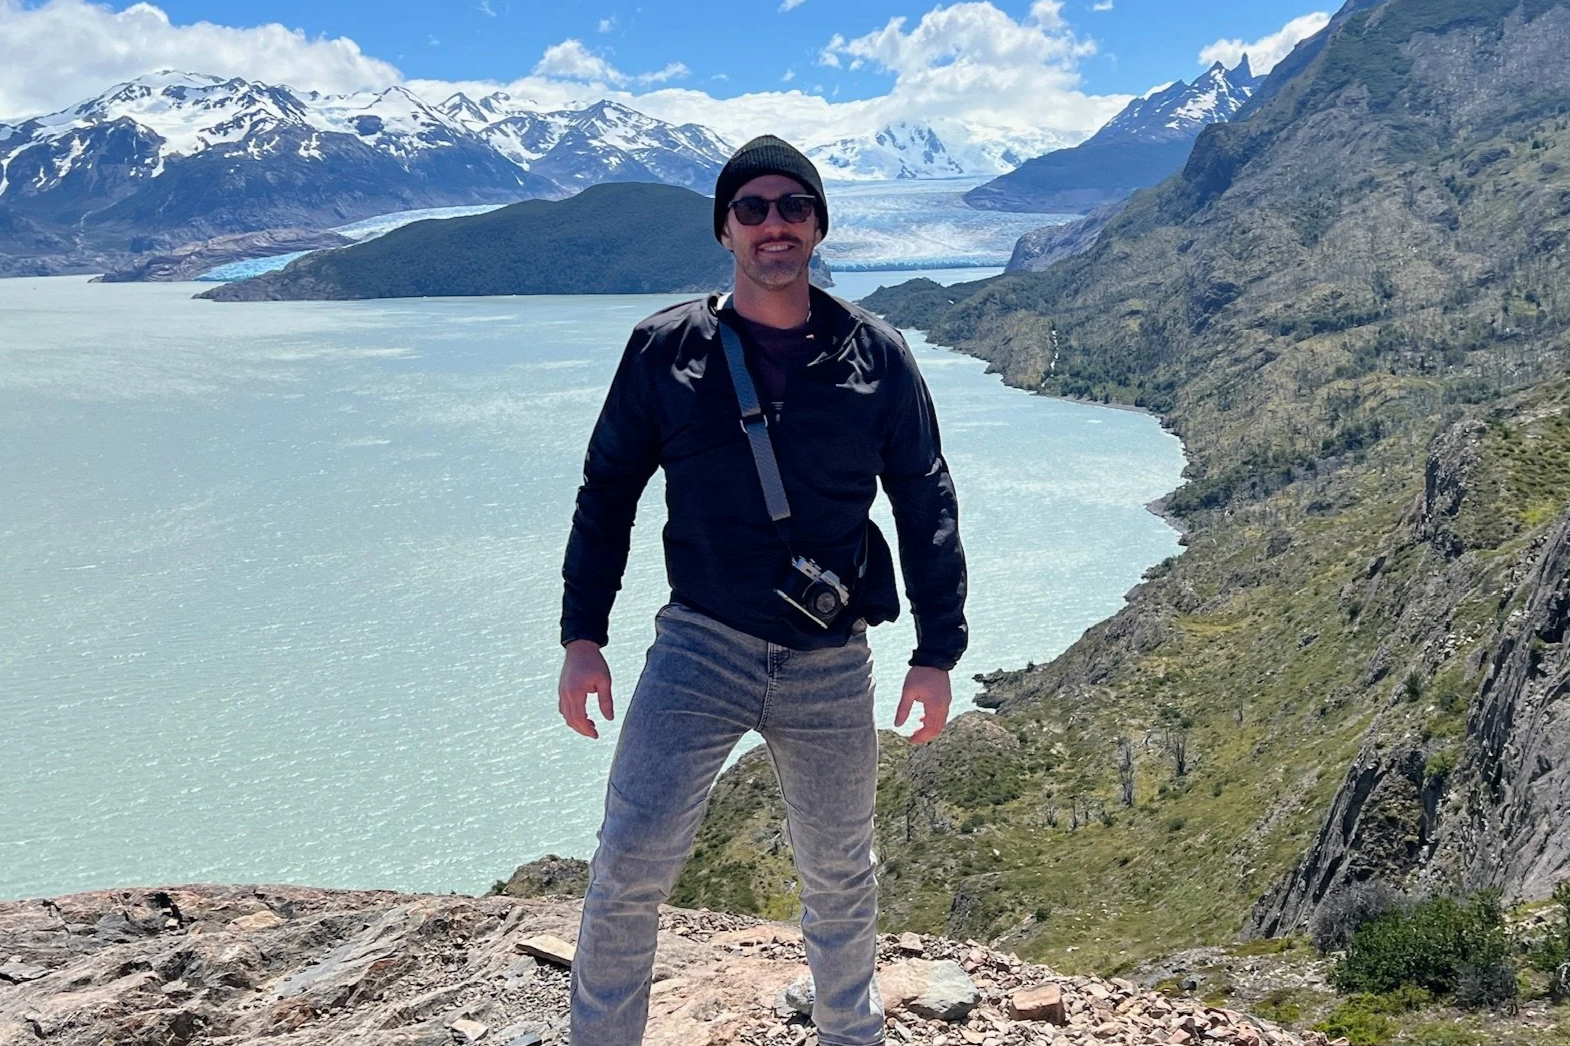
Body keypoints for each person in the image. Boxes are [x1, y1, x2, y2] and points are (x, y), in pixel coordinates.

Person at [556, 135, 968, 1046]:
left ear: (818, 226)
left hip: (831, 659)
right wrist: (583, 635)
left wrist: (937, 651)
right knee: (629, 865)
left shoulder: (878, 355)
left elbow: (925, 498)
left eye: (794, 206)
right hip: (700, 646)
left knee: (840, 875)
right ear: (725, 229)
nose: (773, 224)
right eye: (753, 208)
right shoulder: (665, 350)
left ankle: (850, 1035)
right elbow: (608, 490)